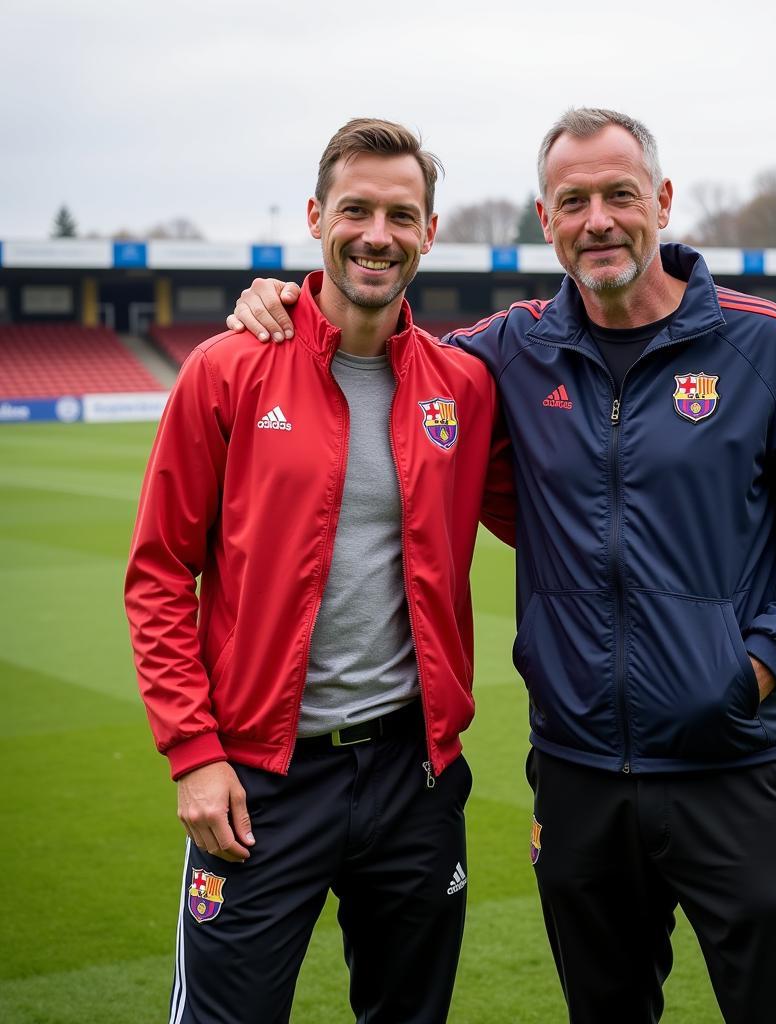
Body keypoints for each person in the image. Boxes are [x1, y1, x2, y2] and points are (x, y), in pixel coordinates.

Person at [228, 107, 776, 1024]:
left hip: (737, 763)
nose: (599, 220)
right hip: (579, 775)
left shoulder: (762, 342)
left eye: (619, 195)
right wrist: (293, 301)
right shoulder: (507, 351)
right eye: (572, 201)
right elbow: (381, 336)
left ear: (660, 201)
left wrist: (759, 665)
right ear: (546, 220)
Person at [125, 118, 514, 1024]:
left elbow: (559, 515)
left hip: (414, 776)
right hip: (260, 781)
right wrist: (193, 754)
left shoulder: (463, 387)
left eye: (401, 214)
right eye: (357, 210)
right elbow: (158, 574)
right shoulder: (225, 371)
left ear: (429, 231)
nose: (377, 234)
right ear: (316, 216)